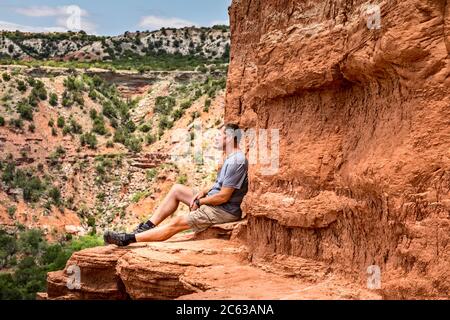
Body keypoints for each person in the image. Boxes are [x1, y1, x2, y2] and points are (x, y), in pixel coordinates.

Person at [103, 123, 248, 246]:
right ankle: (145, 227)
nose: (215, 138)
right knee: (177, 189)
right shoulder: (230, 158)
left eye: (219, 135)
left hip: (224, 210)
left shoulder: (237, 161)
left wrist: (199, 201)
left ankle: (128, 239)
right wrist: (203, 191)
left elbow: (223, 196)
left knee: (178, 222)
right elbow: (221, 183)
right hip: (215, 202)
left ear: (229, 138)